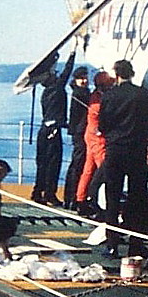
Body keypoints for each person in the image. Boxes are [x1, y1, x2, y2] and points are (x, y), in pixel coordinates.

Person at [97, 59, 148, 258]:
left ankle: (112, 243)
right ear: (132, 73)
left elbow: (103, 126)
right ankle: (135, 243)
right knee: (137, 199)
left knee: (112, 197)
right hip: (136, 151)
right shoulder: (143, 94)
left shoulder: (109, 96)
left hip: (115, 151)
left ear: (116, 74)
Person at [31, 49, 75, 205]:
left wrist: (55, 56)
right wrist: (72, 54)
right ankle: (49, 194)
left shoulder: (45, 93)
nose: (56, 74)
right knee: (53, 164)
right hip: (53, 131)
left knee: (42, 163)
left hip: (44, 130)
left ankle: (37, 192)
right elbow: (67, 72)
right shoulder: (56, 89)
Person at [77, 70, 115, 216]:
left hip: (91, 135)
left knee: (88, 169)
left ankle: (81, 200)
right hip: (98, 138)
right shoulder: (99, 101)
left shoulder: (95, 97)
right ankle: (97, 202)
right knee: (104, 170)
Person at [63, 66, 90, 210]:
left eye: (86, 78)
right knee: (78, 165)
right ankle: (72, 197)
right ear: (76, 79)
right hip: (80, 133)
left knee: (76, 165)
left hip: (78, 132)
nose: (84, 81)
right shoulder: (80, 94)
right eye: (81, 78)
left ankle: (70, 197)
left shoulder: (80, 92)